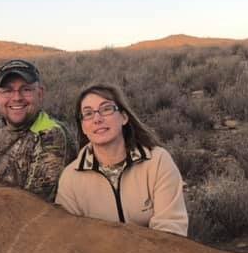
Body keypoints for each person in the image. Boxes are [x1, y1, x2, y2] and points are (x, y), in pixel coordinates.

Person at [55, 84, 188, 236]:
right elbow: (70, 238)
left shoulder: (157, 161)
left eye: (106, 109)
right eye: (88, 114)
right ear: (83, 127)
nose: (97, 119)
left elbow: (171, 229)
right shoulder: (71, 178)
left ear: (124, 117)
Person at [0, 59, 75, 202]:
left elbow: (33, 205)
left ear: (40, 93)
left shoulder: (51, 135)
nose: (17, 98)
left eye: (26, 89)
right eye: (7, 91)